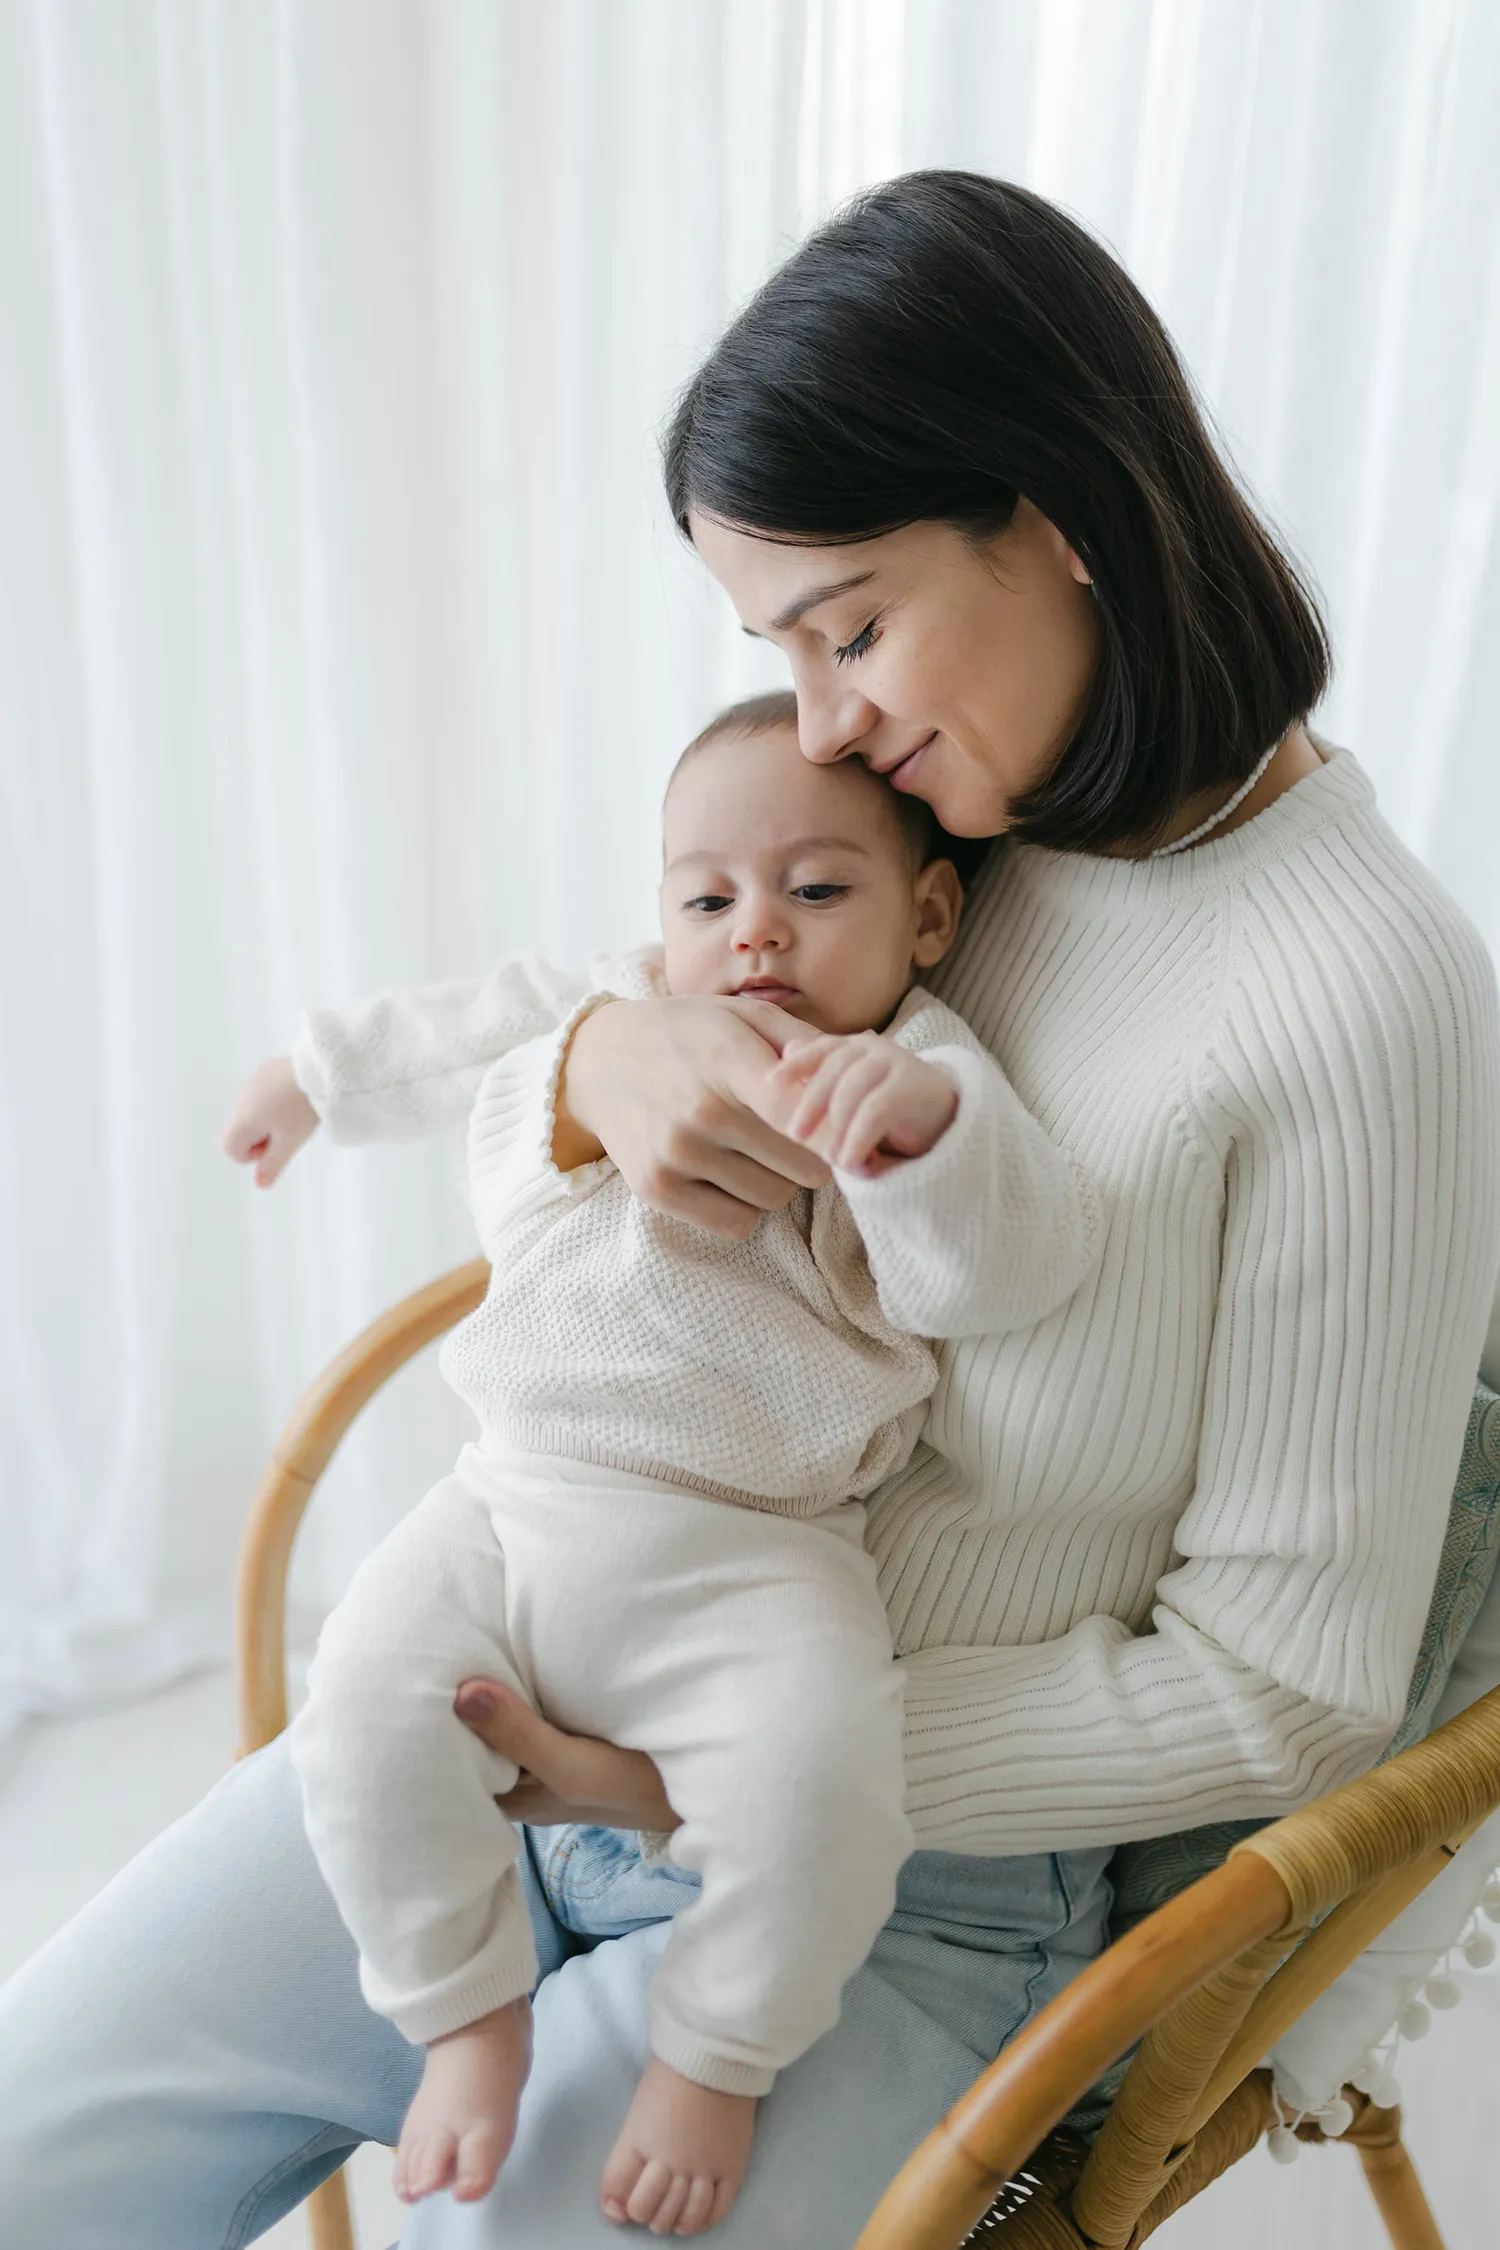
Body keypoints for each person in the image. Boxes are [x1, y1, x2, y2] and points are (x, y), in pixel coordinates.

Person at [1, 170, 1496, 2250]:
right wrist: (592, 1079)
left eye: (853, 625)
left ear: (1058, 513)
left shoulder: (1372, 1001)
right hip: (526, 1670)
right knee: (32, 2139)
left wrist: (710, 1768)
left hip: (889, 1869)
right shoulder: (954, 808)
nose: (826, 724)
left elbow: (1287, 1686)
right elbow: (623, 1049)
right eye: (780, 653)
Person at [228, 695, 1096, 2235]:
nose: (754, 934)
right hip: (509, 1500)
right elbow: (467, 1024)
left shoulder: (924, 1068)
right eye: (710, 897)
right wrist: (312, 1076)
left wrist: (924, 1134)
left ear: (931, 911)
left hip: (759, 1548)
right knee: (359, 1704)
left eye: (817, 891)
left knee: (821, 1788)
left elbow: (1002, 1272)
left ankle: (718, 2053)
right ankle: (461, 2010)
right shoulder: (624, 1005)